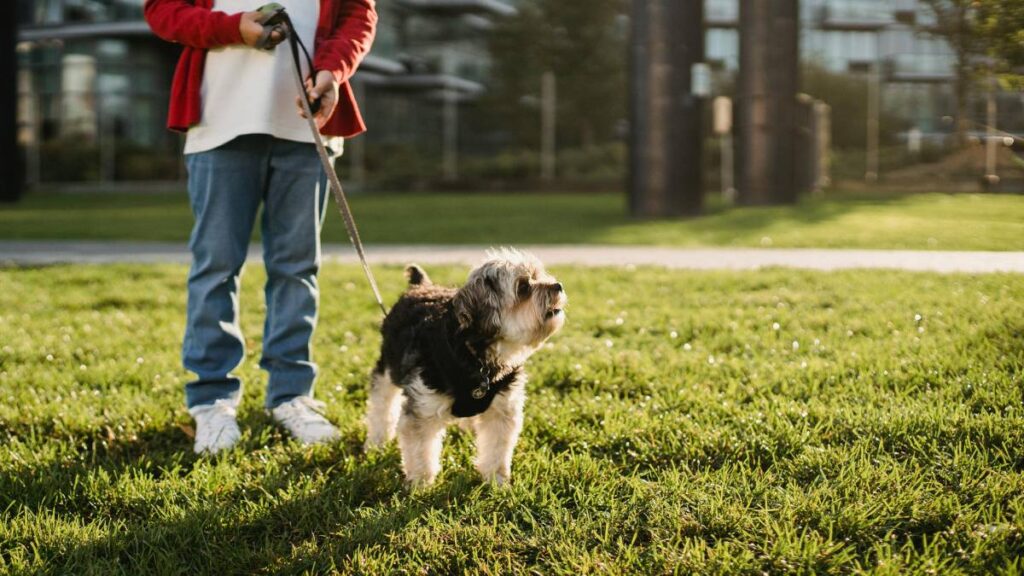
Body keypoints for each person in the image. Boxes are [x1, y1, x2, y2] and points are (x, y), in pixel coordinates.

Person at [144, 0, 377, 454]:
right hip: (220, 123)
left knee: (297, 267)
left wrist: (332, 72)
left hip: (307, 126)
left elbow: (358, 16)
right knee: (217, 265)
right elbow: (162, 11)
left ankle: (291, 396)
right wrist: (234, 28)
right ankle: (211, 400)